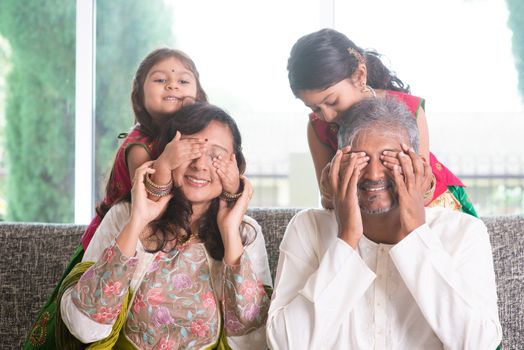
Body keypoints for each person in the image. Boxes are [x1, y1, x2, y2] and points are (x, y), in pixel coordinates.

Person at [266, 98, 501, 349]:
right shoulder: (307, 227)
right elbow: (284, 344)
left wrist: (416, 235)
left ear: (418, 165)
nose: (374, 174)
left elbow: (479, 343)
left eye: (389, 158)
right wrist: (346, 240)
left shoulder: (463, 232)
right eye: (361, 159)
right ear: (338, 164)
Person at [24, 48, 218, 349]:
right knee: (93, 311)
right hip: (116, 239)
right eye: (160, 80)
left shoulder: (191, 139)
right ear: (139, 97)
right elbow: (152, 195)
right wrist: (166, 164)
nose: (172, 86)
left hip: (157, 241)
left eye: (183, 81)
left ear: (199, 95)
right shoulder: (139, 146)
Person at [59, 103, 272, 349]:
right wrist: (138, 221)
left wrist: (229, 231)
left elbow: (253, 340)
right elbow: (85, 328)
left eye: (216, 156)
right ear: (165, 155)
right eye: (189, 150)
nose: (200, 165)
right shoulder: (124, 215)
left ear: (237, 167)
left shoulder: (246, 232)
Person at [287, 28, 476, 216]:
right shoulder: (317, 127)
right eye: (315, 108)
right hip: (366, 216)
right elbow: (328, 201)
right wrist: (336, 184)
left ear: (360, 75)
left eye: (332, 101)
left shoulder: (408, 108)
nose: (326, 116)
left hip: (430, 206)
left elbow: (421, 191)